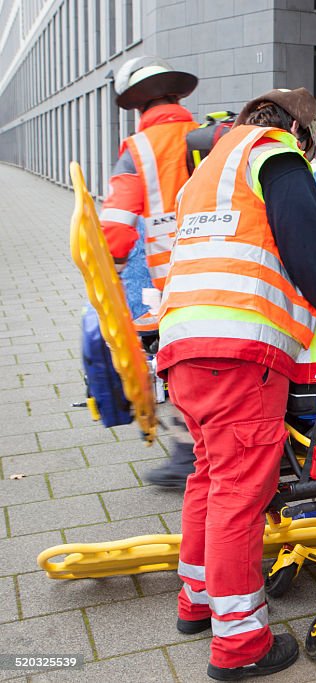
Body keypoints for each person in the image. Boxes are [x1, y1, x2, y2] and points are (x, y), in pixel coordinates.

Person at [157, 87, 316, 679]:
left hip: (184, 345)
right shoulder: (275, 155)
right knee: (240, 493)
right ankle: (239, 645)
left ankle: (199, 604)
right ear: (299, 130)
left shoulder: (206, 173)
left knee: (209, 476)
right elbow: (310, 250)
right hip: (239, 353)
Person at [99, 56, 200, 488]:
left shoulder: (137, 149)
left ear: (138, 106)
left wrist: (110, 265)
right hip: (230, 263)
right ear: (177, 96)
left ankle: (187, 455)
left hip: (172, 277)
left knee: (177, 361)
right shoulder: (212, 135)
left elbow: (117, 226)